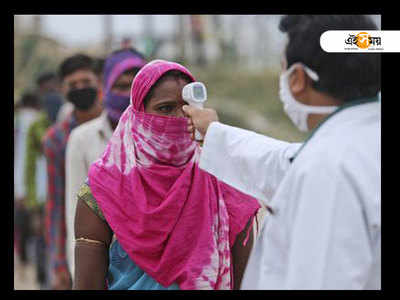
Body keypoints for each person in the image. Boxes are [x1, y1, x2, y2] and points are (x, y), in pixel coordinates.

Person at [182, 15, 381, 289]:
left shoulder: (327, 168)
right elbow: (287, 163)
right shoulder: (356, 143)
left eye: (283, 68)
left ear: (297, 79)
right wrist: (215, 133)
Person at [73, 60, 261, 290]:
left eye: (187, 109)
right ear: (139, 114)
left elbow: (246, 281)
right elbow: (87, 283)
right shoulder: (104, 188)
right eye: (165, 108)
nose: (179, 119)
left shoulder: (224, 185)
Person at [65, 48, 147, 280]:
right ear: (106, 87)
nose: (127, 94)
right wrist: (77, 273)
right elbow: (75, 208)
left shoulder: (160, 140)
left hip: (150, 268)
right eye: (120, 86)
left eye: (135, 86)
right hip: (102, 267)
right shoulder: (83, 138)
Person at [42, 54, 103, 290]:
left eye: (86, 82)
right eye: (73, 85)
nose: (81, 89)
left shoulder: (119, 124)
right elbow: (56, 202)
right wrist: (58, 264)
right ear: (63, 89)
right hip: (81, 243)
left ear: (98, 81)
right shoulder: (56, 139)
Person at [14, 92, 42, 279]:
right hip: (35, 188)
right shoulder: (39, 122)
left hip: (22, 185)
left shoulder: (20, 122)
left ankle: (24, 263)